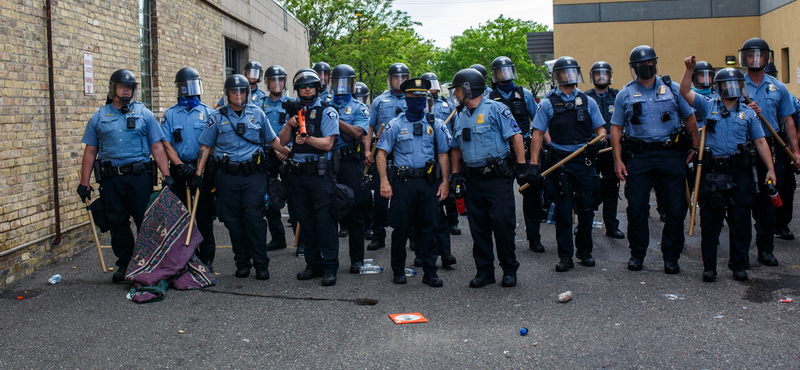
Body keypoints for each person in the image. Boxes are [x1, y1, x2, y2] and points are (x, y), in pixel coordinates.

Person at [679, 59, 776, 281]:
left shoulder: (749, 113)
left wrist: (770, 169)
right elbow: (684, 91)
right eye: (726, 85)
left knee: (740, 220)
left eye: (735, 84)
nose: (731, 89)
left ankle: (739, 265)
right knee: (711, 221)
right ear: (719, 87)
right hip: (713, 171)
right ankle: (709, 267)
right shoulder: (708, 104)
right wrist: (689, 69)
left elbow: (760, 142)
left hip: (740, 172)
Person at [609, 45, 700, 274]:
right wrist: (618, 161)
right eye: (640, 64)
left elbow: (690, 120)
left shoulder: (672, 88)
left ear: (655, 63)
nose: (645, 67)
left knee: (675, 208)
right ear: (633, 68)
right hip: (639, 157)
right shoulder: (625, 94)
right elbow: (616, 129)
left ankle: (671, 257)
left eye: (649, 62)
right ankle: (637, 255)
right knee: (637, 208)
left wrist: (695, 149)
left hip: (670, 155)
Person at [77, 69, 172, 282]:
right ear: (113, 89)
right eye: (122, 86)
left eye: (129, 87)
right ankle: (125, 264)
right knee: (117, 222)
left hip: (139, 178)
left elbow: (156, 147)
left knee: (145, 221)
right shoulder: (99, 117)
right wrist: (84, 183)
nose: (126, 90)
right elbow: (90, 151)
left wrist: (166, 175)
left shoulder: (144, 114)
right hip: (111, 180)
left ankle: (148, 262)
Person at [194, 74, 291, 280]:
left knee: (255, 219)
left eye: (242, 91)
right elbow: (205, 147)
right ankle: (242, 263)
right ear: (227, 94)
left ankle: (261, 264)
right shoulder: (217, 116)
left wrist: (296, 154)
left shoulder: (257, 113)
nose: (238, 95)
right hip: (226, 177)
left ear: (247, 93)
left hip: (253, 176)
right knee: (233, 221)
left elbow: (273, 141)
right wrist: (198, 174)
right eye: (233, 91)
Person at [448, 68, 527, 288]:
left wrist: (521, 166)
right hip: (473, 179)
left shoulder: (497, 109)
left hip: (496, 178)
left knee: (502, 224)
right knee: (478, 227)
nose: (455, 94)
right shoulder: (460, 114)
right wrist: (455, 174)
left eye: (457, 89)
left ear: (467, 89)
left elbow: (516, 135)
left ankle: (509, 269)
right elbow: (455, 148)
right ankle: (485, 271)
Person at [529, 57, 607, 271]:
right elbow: (537, 134)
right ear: (556, 77)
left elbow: (601, 130)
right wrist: (533, 165)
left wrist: (597, 143)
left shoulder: (588, 101)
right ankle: (566, 257)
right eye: (564, 73)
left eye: (571, 72)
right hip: (560, 163)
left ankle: (585, 251)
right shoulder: (546, 103)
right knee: (563, 213)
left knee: (587, 210)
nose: (568, 76)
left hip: (584, 161)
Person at [376, 78, 452, 286]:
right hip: (403, 183)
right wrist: (384, 181)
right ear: (406, 98)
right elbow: (381, 154)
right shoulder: (395, 124)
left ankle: (430, 272)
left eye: (422, 97)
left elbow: (444, 155)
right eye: (414, 97)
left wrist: (445, 182)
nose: (418, 100)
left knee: (429, 227)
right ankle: (398, 270)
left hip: (428, 184)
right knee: (401, 228)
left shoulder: (435, 124)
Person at [738, 38, 800, 267]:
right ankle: (741, 252)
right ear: (744, 58)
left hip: (772, 148)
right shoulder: (736, 86)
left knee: (768, 199)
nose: (755, 59)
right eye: (751, 55)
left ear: (767, 58)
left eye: (759, 55)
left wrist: (796, 151)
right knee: (743, 202)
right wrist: (744, 108)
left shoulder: (778, 87)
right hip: (744, 148)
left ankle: (765, 250)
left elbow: (788, 120)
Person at [279, 69, 341, 286]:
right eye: (303, 86)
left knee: (325, 222)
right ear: (297, 89)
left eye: (311, 86)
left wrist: (307, 140)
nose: (307, 89)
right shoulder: (294, 112)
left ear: (317, 88)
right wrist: (290, 125)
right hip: (298, 176)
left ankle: (330, 267)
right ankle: (313, 264)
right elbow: (282, 141)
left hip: (320, 175)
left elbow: (328, 144)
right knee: (305, 222)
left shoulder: (327, 111)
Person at [159, 67, 217, 270]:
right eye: (185, 87)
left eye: (193, 86)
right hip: (180, 169)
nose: (189, 92)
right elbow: (166, 144)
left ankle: (207, 257)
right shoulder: (170, 115)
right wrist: (179, 166)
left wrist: (198, 170)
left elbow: (210, 144)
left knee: (203, 215)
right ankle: (186, 256)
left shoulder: (208, 113)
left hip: (201, 170)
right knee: (181, 215)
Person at [489, 56, 543, 253]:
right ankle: (508, 237)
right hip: (502, 153)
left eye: (507, 71)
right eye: (500, 72)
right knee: (505, 197)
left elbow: (537, 122)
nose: (504, 75)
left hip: (525, 151)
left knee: (531, 194)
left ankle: (534, 237)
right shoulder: (490, 97)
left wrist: (546, 146)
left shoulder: (524, 94)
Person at [329, 64, 370, 273]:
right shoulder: (324, 103)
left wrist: (336, 119)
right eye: (338, 83)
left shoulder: (358, 108)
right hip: (327, 162)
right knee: (328, 213)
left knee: (354, 211)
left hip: (348, 162)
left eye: (346, 84)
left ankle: (357, 259)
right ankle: (329, 262)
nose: (342, 88)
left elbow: (356, 133)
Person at [364, 62, 409, 251]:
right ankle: (378, 234)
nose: (399, 81)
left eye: (403, 78)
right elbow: (370, 126)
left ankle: (411, 235)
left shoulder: (412, 97)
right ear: (389, 79)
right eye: (396, 78)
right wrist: (368, 150)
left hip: (405, 154)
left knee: (405, 198)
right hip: (382, 153)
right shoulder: (380, 101)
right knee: (380, 198)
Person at [585, 61, 624, 239]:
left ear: (610, 76)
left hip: (610, 148)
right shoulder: (585, 97)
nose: (601, 77)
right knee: (588, 187)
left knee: (611, 186)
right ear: (592, 77)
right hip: (592, 149)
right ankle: (584, 223)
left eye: (605, 74)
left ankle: (611, 225)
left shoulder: (617, 96)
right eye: (598, 74)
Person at [421, 72, 460, 238]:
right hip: (428, 152)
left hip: (445, 149)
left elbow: (455, 125)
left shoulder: (446, 105)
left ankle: (453, 222)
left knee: (449, 187)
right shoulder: (422, 102)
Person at [766, 62, 799, 241]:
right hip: (763, 143)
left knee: (787, 186)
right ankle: (766, 223)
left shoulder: (788, 96)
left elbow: (795, 123)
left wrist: (796, 151)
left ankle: (782, 223)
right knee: (767, 186)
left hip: (783, 146)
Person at [261, 65, 292, 251]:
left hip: (287, 155)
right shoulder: (259, 104)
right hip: (267, 155)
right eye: (273, 80)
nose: (277, 83)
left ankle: (303, 241)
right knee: (269, 197)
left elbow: (299, 130)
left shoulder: (292, 103)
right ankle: (278, 237)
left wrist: (287, 148)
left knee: (297, 196)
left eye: (280, 80)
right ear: (268, 83)